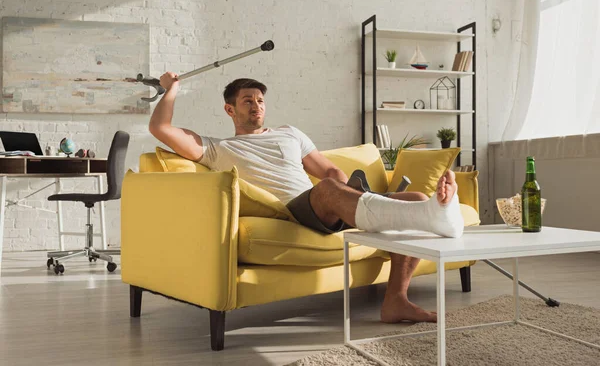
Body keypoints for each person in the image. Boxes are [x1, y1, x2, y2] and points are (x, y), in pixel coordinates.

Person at [149, 73, 464, 323]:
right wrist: (170, 88)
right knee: (328, 191)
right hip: (298, 209)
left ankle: (396, 300)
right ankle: (432, 214)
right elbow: (160, 127)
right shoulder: (217, 148)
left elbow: (328, 170)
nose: (256, 106)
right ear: (230, 110)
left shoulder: (290, 133)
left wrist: (353, 191)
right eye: (247, 101)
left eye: (260, 100)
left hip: (334, 203)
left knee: (416, 196)